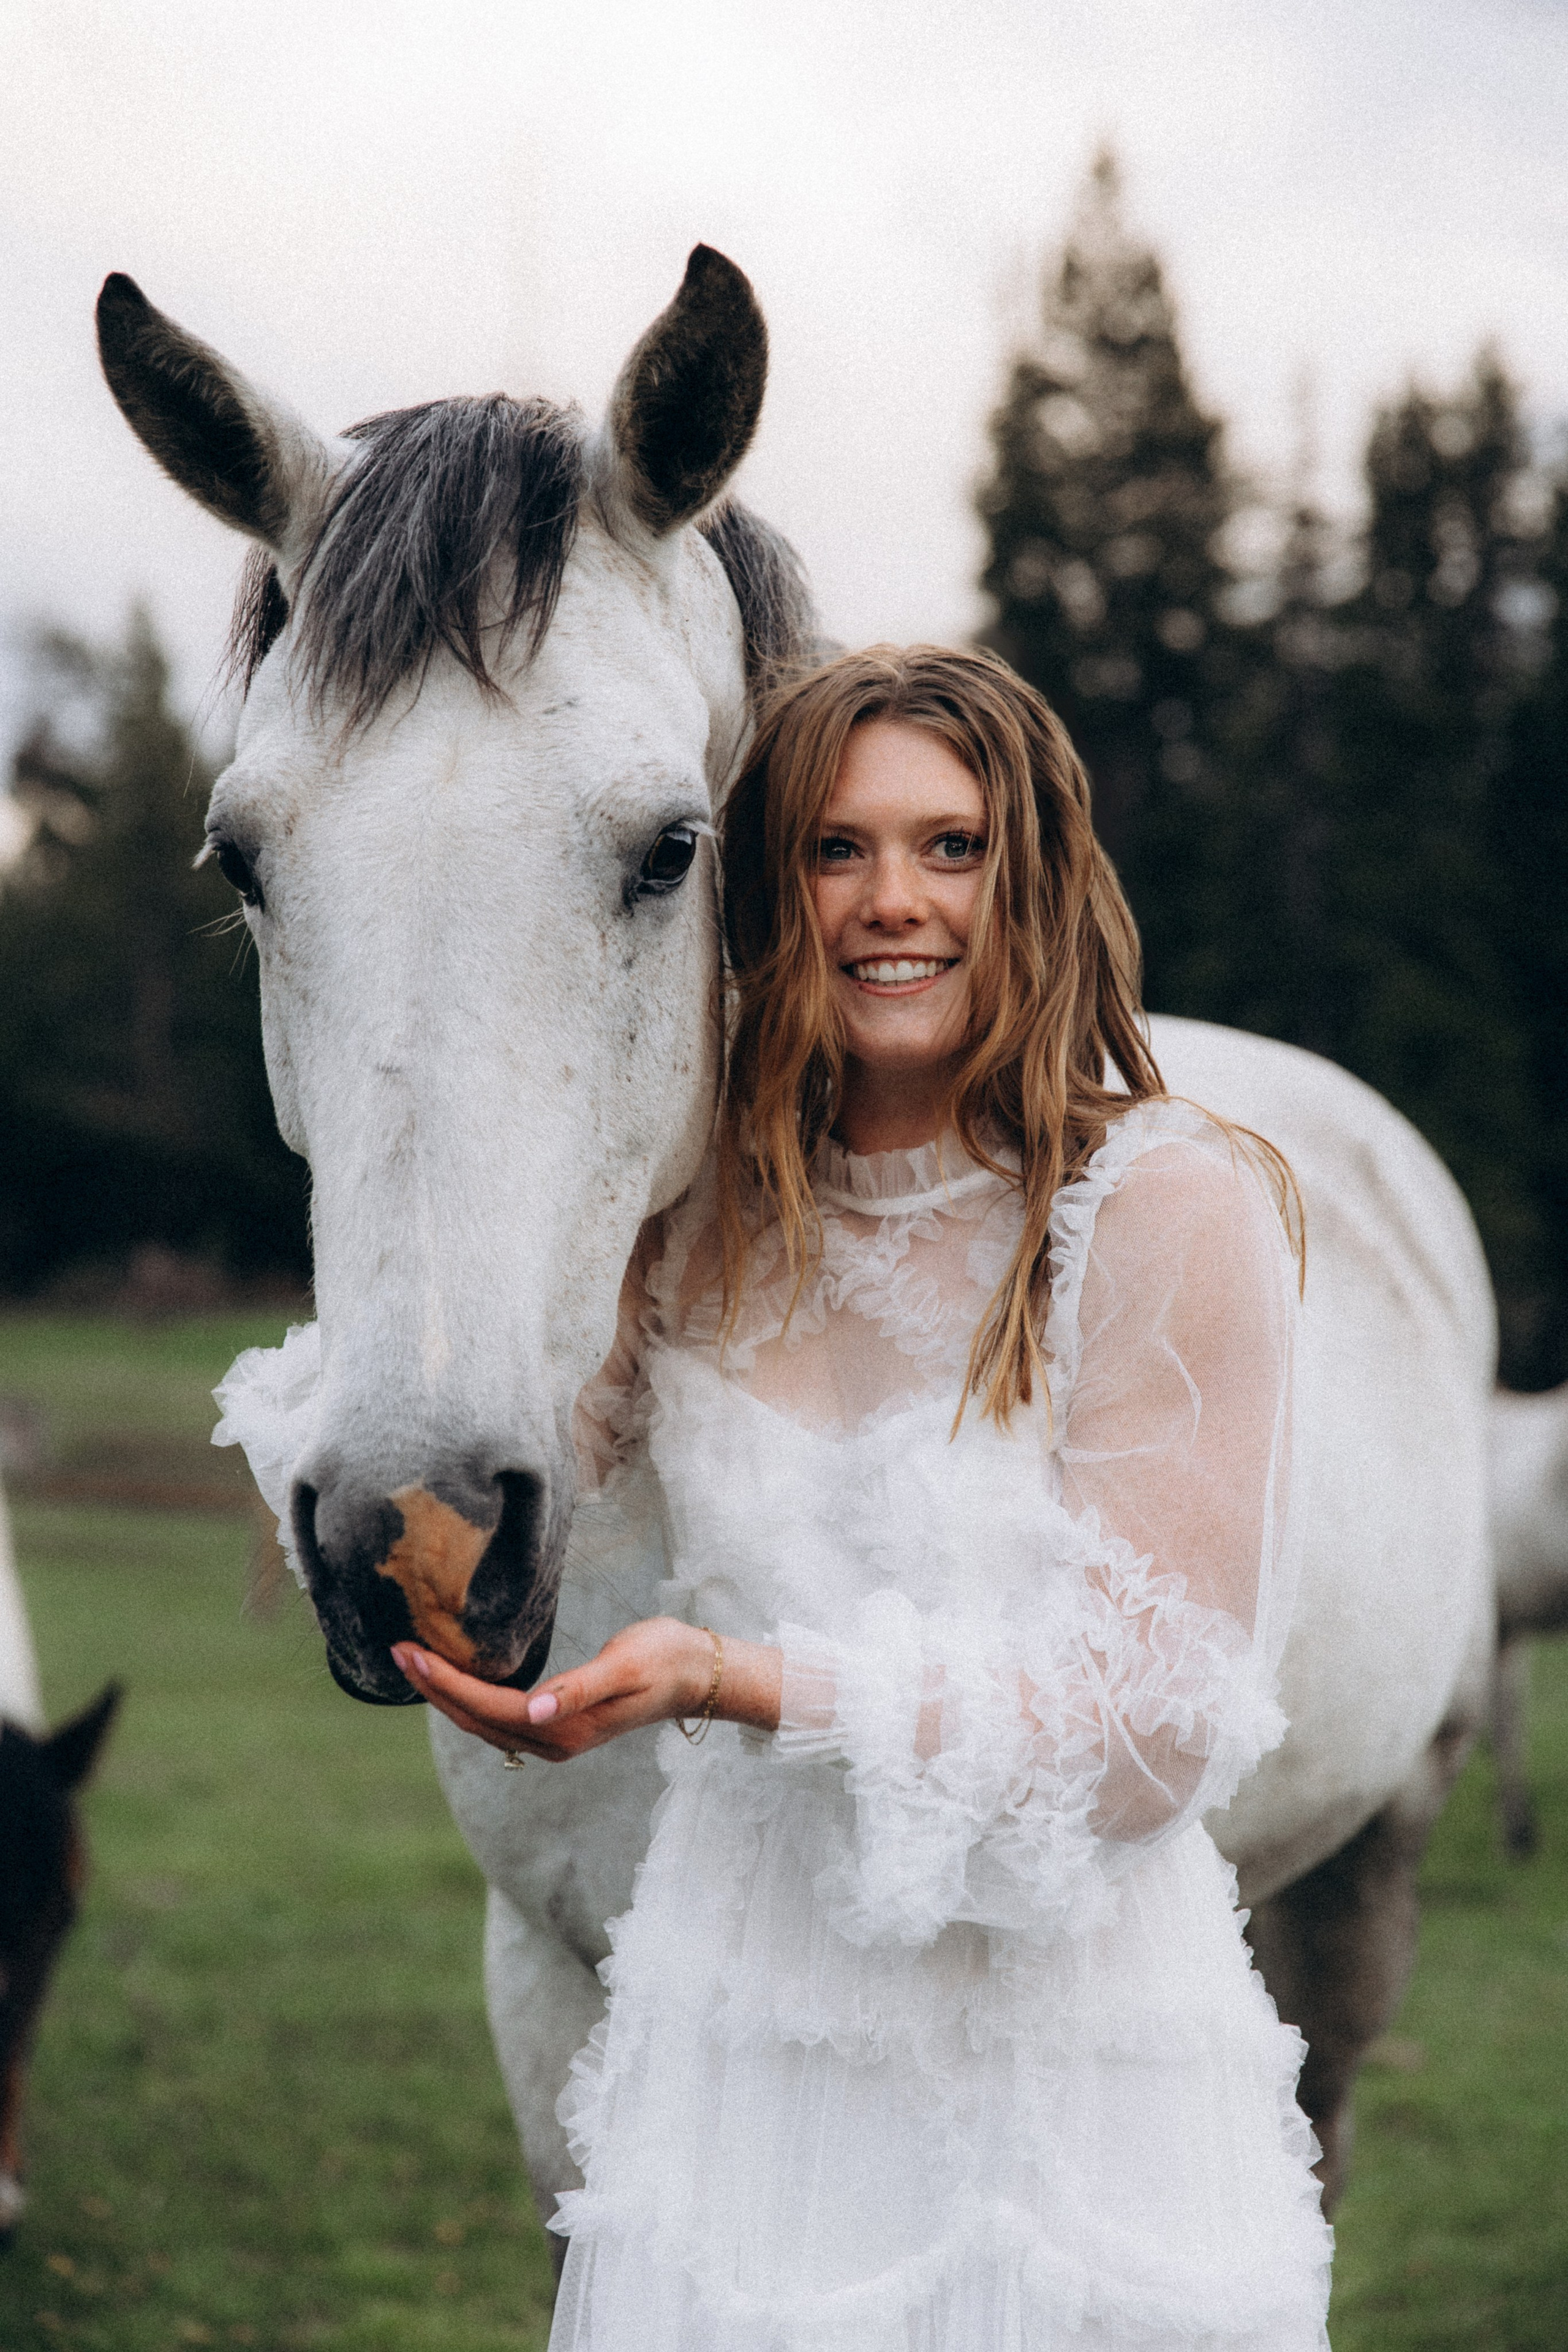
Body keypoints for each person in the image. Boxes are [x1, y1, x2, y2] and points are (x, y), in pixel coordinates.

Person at [397, 644, 1335, 2350]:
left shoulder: (1166, 1208)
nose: (892, 901)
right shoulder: (695, 1228)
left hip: (1061, 2074)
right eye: (837, 850)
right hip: (745, 2045)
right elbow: (469, 1519)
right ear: (769, 893)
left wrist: (734, 1680)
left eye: (950, 846)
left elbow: (1147, 1739)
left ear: (1034, 874)